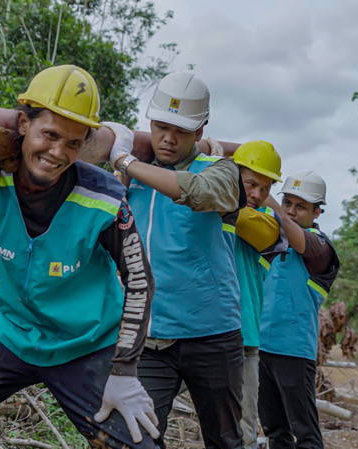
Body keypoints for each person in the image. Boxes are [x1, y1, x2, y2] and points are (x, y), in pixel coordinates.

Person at [0, 65, 160, 447]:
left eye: (73, 143)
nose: (57, 153)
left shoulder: (104, 199)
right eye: (49, 134)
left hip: (87, 344)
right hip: (11, 333)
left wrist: (124, 370)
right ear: (23, 124)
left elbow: (140, 281)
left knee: (139, 443)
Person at [109, 72, 246, 449]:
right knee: (137, 437)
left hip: (212, 334)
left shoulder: (221, 171)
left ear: (201, 129)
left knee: (225, 440)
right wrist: (120, 171)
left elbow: (197, 192)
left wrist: (124, 161)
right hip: (150, 337)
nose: (168, 139)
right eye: (161, 127)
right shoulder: (133, 175)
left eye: (181, 131)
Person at [257, 170, 341, 449]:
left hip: (293, 353)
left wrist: (268, 199)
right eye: (288, 203)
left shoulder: (321, 248)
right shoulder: (271, 241)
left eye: (301, 206)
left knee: (305, 433)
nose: (291, 211)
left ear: (317, 212)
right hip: (261, 348)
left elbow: (303, 243)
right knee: (275, 430)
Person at [231, 141, 283, 449]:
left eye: (265, 188)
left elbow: (231, 212)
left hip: (245, 338)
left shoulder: (268, 222)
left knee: (242, 431)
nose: (257, 194)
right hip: (197, 333)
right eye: (250, 184)